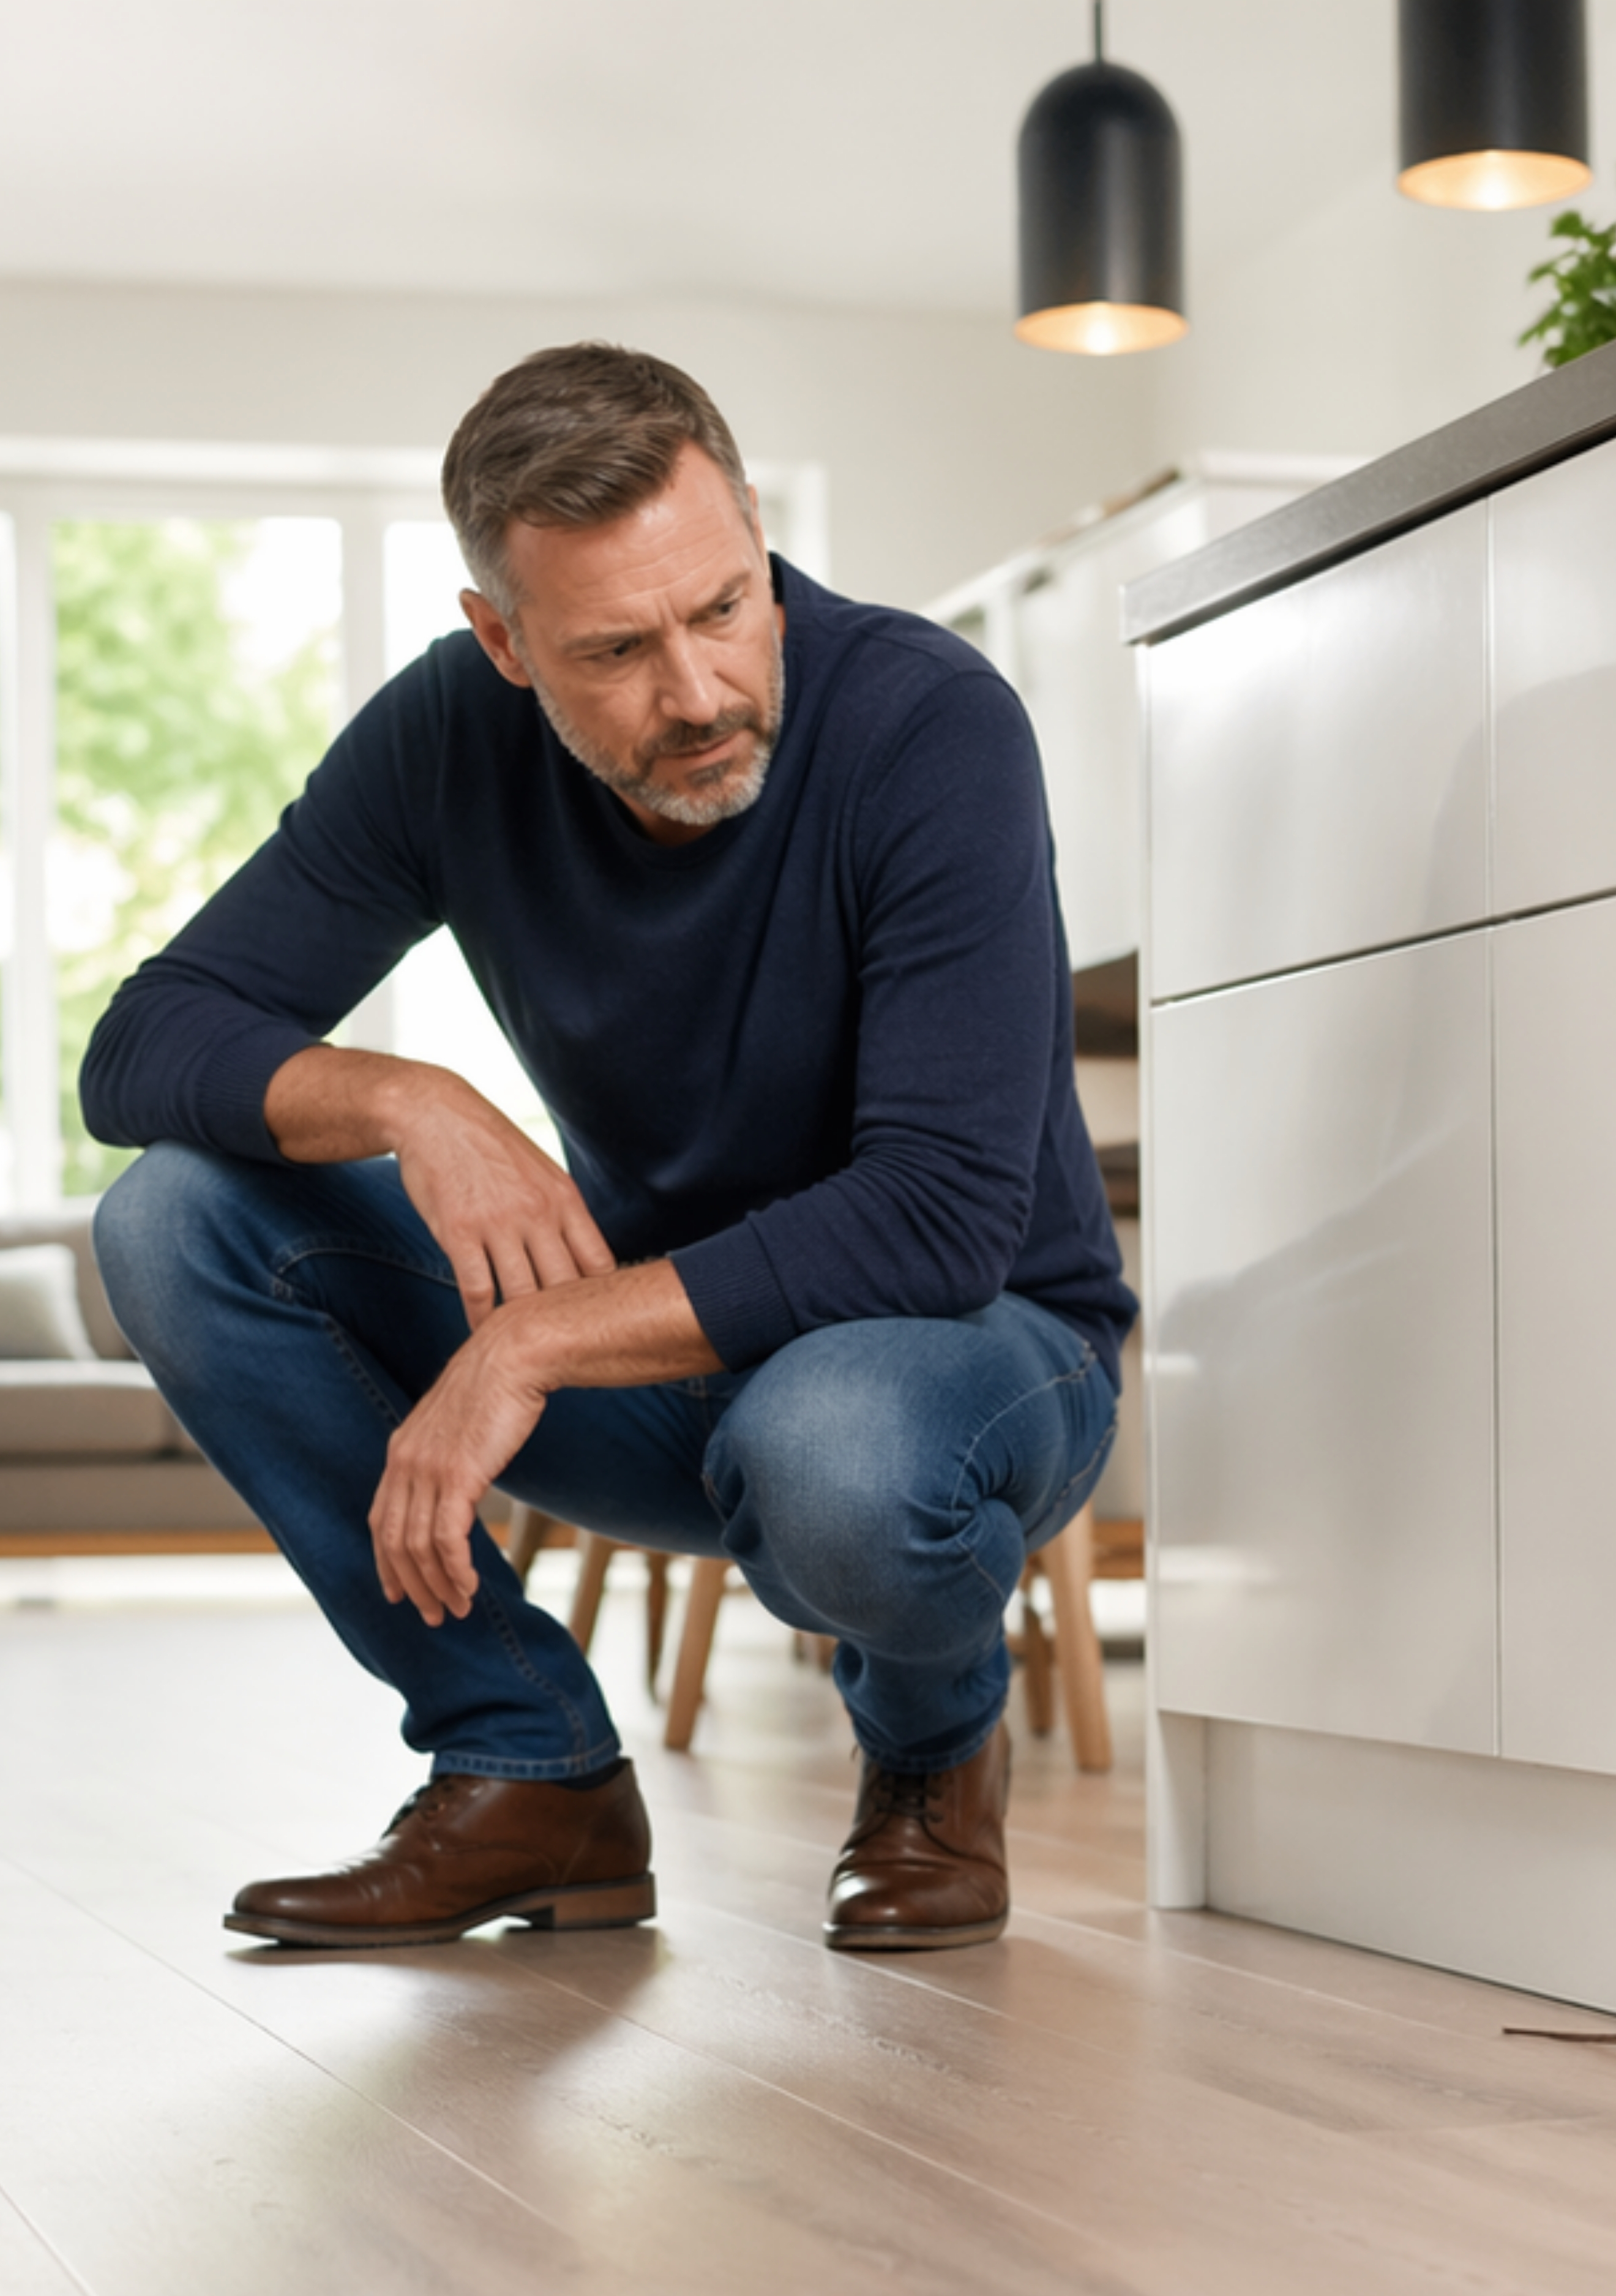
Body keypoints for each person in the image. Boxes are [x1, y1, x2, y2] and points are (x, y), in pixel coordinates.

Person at [81, 343, 1132, 1954]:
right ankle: (526, 1771)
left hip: (971, 1354)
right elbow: (146, 1043)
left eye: (722, 609)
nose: (698, 693)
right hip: (667, 1355)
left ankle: (929, 1758)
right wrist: (416, 1103)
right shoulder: (446, 741)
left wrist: (531, 1342)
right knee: (175, 1219)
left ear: (758, 535)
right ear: (500, 641)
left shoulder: (930, 725)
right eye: (617, 651)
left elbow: (934, 1223)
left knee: (834, 1449)